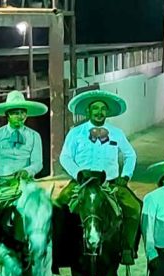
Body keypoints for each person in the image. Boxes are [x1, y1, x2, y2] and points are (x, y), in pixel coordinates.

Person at [57, 90, 141, 266]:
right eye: (95, 108)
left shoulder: (116, 133)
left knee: (134, 208)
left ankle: (127, 248)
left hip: (109, 183)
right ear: (87, 111)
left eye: (103, 108)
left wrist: (125, 176)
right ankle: (59, 250)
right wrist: (78, 173)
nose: (99, 112)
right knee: (56, 207)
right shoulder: (76, 133)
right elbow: (65, 157)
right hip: (81, 183)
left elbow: (130, 155)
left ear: (107, 112)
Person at [0, 91, 45, 229]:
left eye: (23, 113)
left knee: (44, 215)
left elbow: (38, 163)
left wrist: (27, 170)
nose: (20, 117)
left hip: (25, 184)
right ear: (8, 115)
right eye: (16, 113)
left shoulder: (34, 136)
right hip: (0, 186)